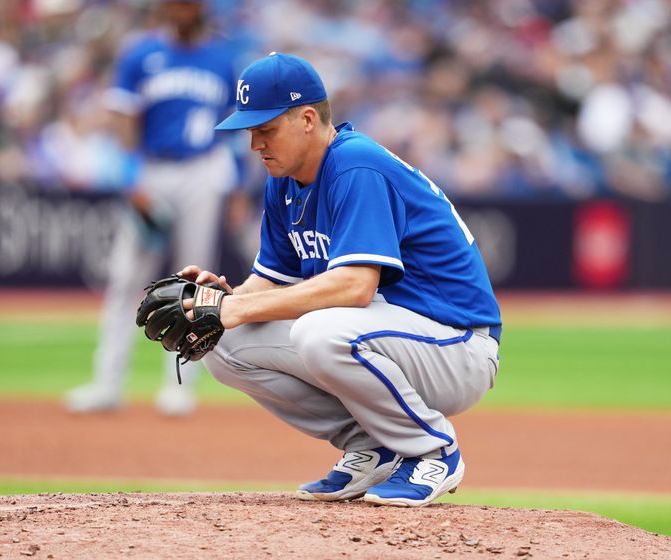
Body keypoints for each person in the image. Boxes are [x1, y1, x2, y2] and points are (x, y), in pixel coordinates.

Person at [178, 52, 502, 506]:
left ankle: (433, 450)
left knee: (319, 331)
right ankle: (373, 446)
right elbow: (270, 283)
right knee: (221, 342)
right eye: (251, 131)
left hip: (457, 343)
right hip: (391, 336)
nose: (255, 143)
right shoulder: (284, 180)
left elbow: (355, 287)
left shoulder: (355, 165)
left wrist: (238, 308)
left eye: (265, 129)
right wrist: (221, 300)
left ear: (307, 119)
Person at [65, 0, 243, 415]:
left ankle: (180, 383)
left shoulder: (223, 58)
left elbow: (235, 128)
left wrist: (236, 186)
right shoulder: (142, 54)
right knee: (127, 277)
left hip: (203, 167)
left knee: (194, 279)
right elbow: (122, 117)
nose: (181, 10)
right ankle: (107, 381)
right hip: (153, 169)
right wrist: (131, 176)